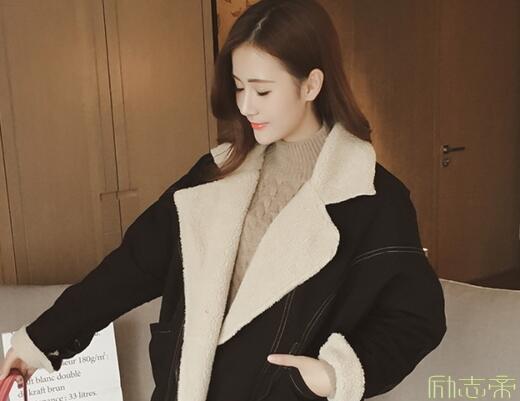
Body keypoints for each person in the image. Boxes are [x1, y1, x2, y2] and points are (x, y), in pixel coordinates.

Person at [0, 0, 447, 400]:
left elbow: (416, 318)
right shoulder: (216, 173)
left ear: (311, 85)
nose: (247, 105)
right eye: (238, 86)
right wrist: (39, 341)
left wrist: (332, 376)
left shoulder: (372, 198)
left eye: (263, 90)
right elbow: (132, 267)